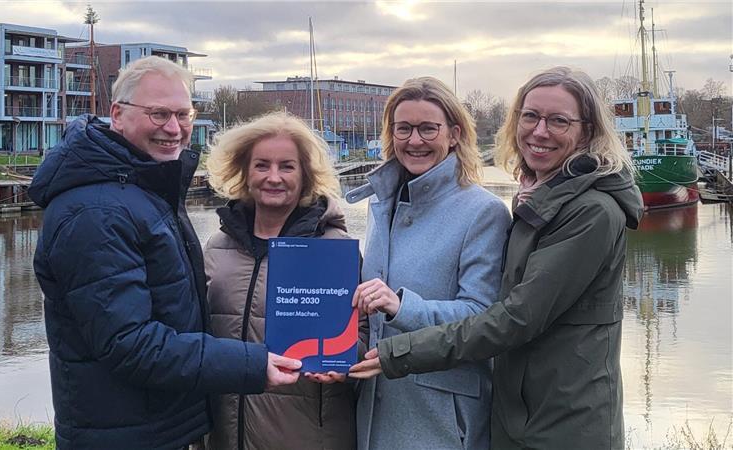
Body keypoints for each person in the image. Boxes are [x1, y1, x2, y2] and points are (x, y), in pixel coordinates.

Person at [349, 66, 644, 449]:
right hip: (510, 411)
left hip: (555, 418)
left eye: (558, 120)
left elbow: (511, 316)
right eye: (531, 116)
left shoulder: (584, 211)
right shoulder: (385, 204)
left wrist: (401, 325)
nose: (540, 131)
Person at [29, 56, 301, 450]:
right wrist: (252, 364)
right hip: (124, 434)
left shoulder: (138, 189)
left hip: (152, 425)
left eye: (183, 114)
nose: (174, 129)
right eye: (158, 114)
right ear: (117, 115)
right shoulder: (97, 212)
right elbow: (131, 344)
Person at [345, 77, 511, 449]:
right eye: (403, 128)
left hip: (441, 418)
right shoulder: (380, 205)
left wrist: (403, 306)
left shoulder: (484, 212)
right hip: (374, 409)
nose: (414, 140)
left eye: (427, 128)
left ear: (453, 134)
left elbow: (484, 317)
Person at [203, 111, 367, 450]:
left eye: (287, 166)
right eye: (261, 165)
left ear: (306, 175)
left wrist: (345, 362)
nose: (273, 177)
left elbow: (363, 333)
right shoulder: (217, 247)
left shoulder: (332, 249)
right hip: (224, 433)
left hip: (308, 435)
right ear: (244, 172)